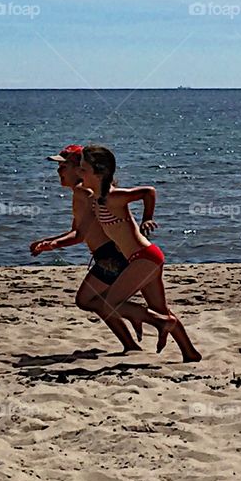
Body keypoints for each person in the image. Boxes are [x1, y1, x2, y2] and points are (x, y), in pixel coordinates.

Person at [30, 144, 168, 353]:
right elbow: (77, 231)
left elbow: (80, 235)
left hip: (111, 257)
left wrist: (53, 244)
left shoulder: (84, 192)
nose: (58, 171)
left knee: (89, 300)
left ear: (79, 169)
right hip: (111, 256)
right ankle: (139, 340)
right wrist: (50, 241)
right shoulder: (84, 192)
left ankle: (145, 327)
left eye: (63, 166)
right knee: (98, 301)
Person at [78, 144, 201, 362]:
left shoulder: (112, 197)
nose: (80, 173)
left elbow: (148, 192)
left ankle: (161, 323)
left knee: (109, 303)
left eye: (84, 169)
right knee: (159, 308)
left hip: (144, 258)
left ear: (99, 173)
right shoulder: (96, 200)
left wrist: (147, 218)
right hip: (145, 259)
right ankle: (190, 353)